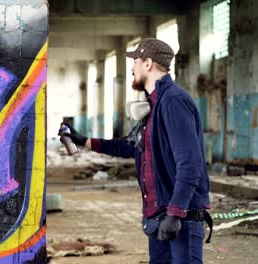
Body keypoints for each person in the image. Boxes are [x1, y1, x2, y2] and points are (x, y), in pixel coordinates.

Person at [61, 38, 212, 264]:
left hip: (181, 219)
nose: (132, 68)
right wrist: (83, 141)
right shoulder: (152, 106)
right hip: (160, 216)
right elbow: (131, 145)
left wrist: (176, 212)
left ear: (148, 63)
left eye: (136, 62)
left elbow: (190, 164)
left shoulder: (173, 101)